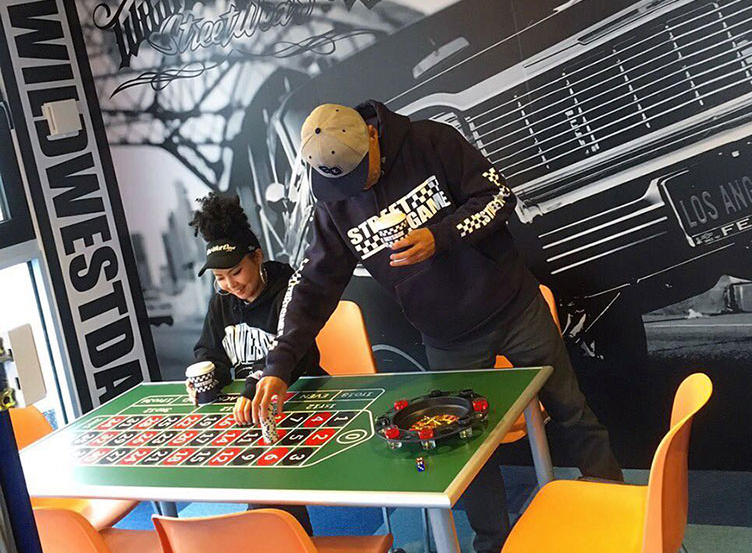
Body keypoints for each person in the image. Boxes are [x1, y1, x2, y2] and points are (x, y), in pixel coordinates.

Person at [250, 101, 623, 552]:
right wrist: (279, 365)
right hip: (448, 338)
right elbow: (313, 285)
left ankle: (617, 508)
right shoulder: (334, 200)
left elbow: (498, 197)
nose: (357, 187)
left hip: (513, 306)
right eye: (343, 183)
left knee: (571, 410)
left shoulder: (430, 140)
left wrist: (440, 236)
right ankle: (494, 544)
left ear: (371, 135)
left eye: (360, 173)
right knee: (469, 450)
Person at [188, 191, 321, 534]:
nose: (230, 285)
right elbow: (210, 352)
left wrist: (253, 385)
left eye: (236, 272)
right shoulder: (221, 301)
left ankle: (278, 536)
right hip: (251, 415)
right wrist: (208, 376)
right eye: (219, 277)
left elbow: (299, 354)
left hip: (302, 402)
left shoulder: (289, 289)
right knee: (262, 488)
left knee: (269, 496)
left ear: (257, 256)